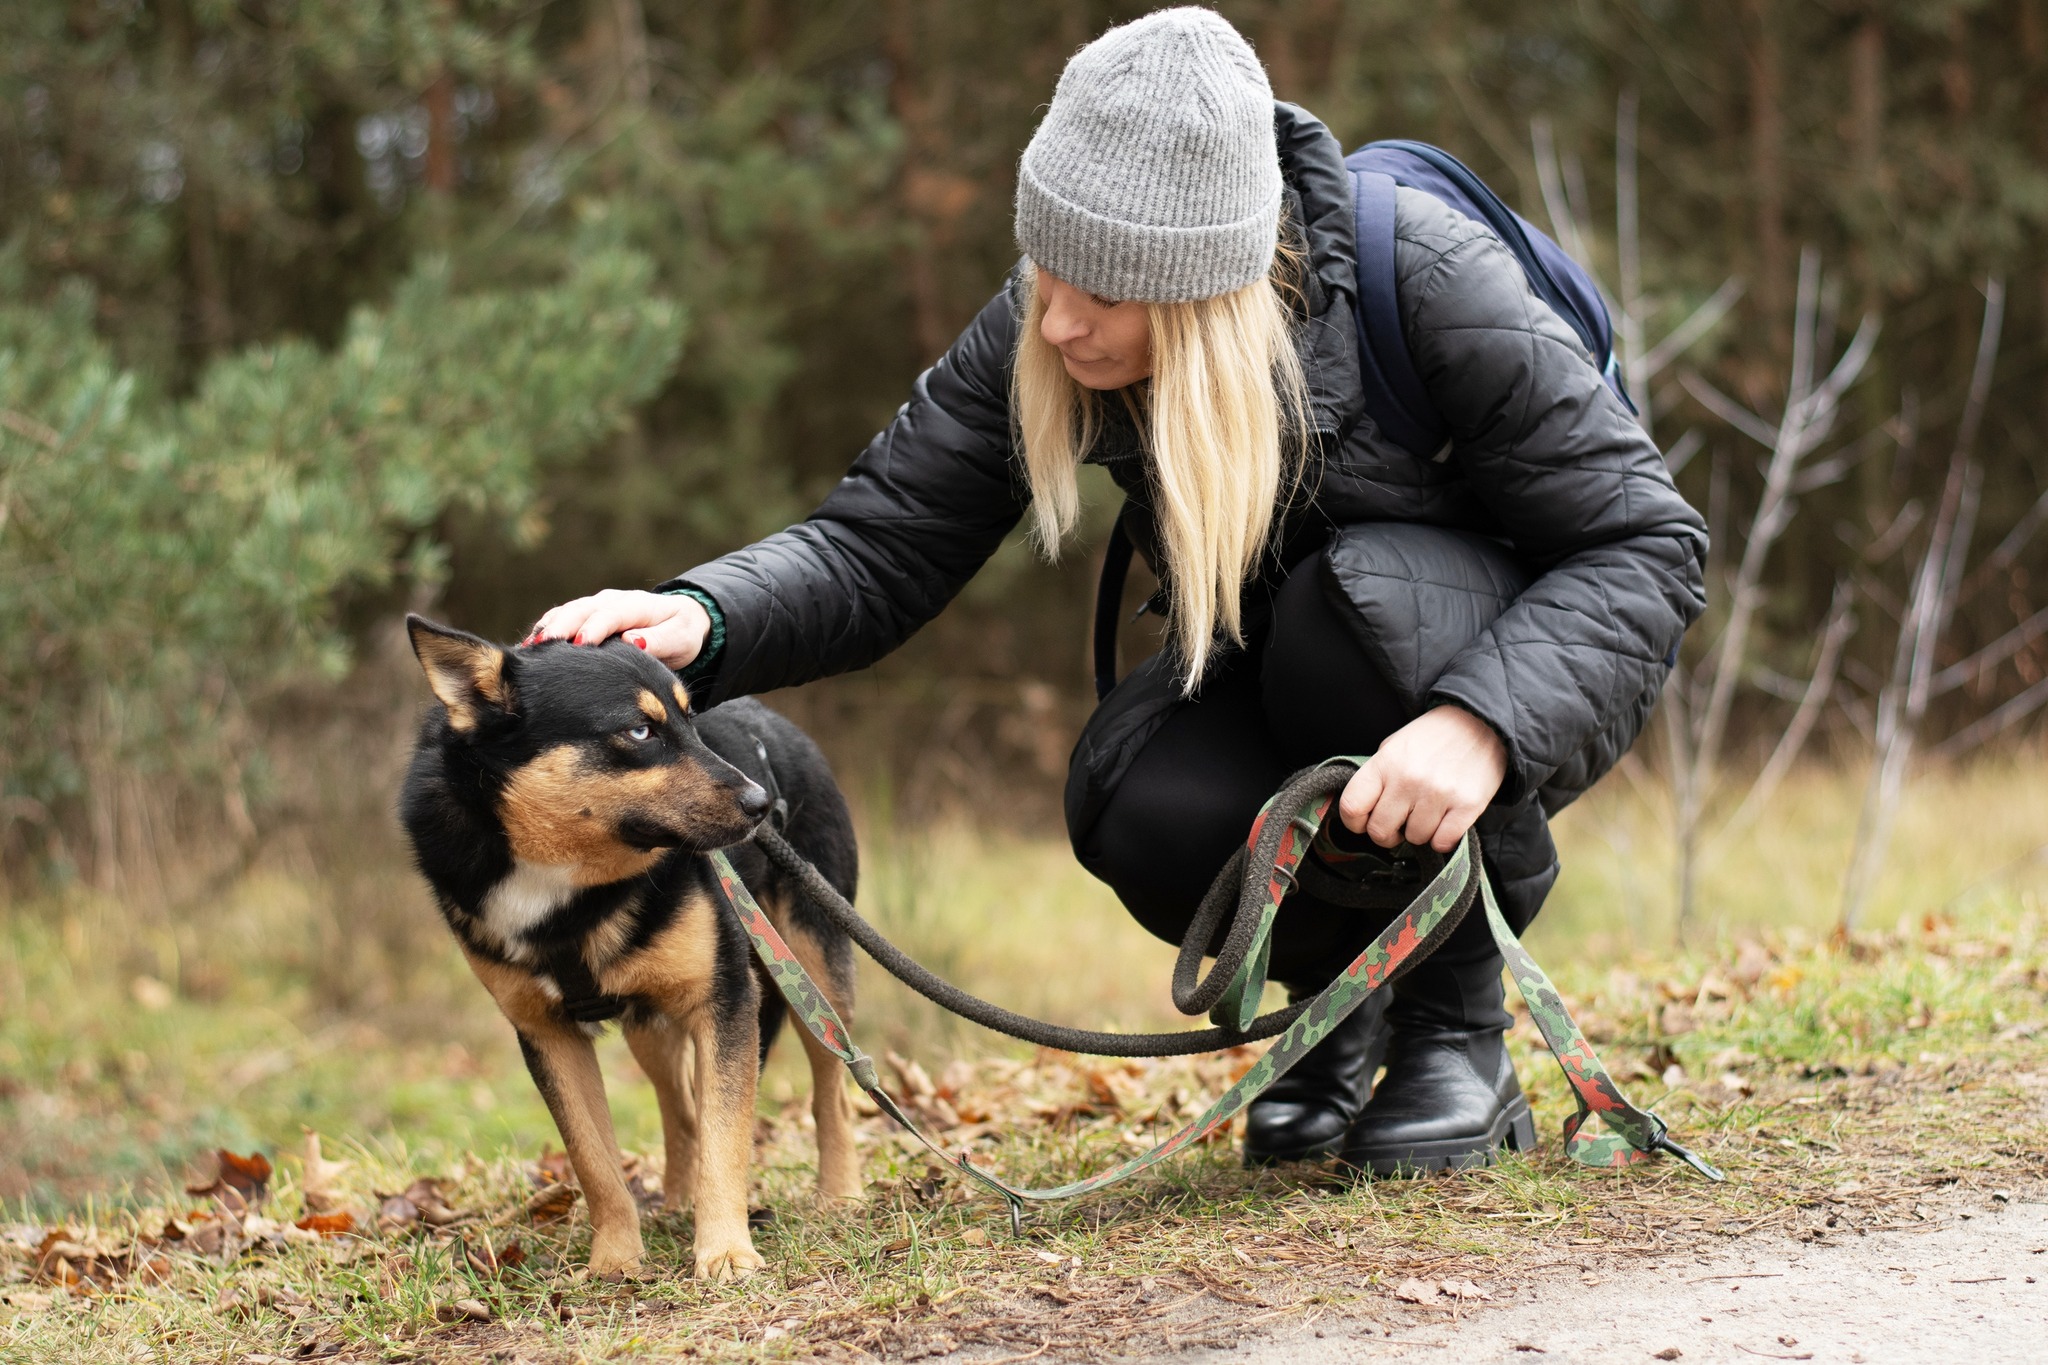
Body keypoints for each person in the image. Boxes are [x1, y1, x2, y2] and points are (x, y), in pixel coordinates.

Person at [530, 7, 1707, 1174]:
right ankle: (1335, 1010)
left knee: (1343, 614)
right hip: (1304, 671)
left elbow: (1643, 546)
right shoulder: (1055, 312)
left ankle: (1456, 1028)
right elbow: (880, 542)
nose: (1055, 316)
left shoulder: (1429, 278)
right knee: (1140, 798)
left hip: (1468, 658)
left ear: (1204, 289)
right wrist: (703, 615)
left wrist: (1480, 726)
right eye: (1045, 265)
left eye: (1100, 290)